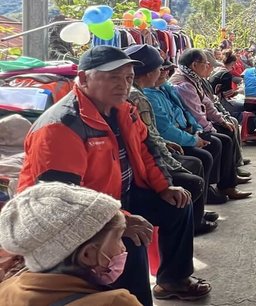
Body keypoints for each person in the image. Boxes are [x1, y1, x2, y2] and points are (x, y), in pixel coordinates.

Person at [18, 46, 209, 305]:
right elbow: (59, 202)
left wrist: (164, 186)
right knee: (131, 239)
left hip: (117, 197)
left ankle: (173, 280)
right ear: (84, 79)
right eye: (113, 77)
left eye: (129, 78)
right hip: (70, 221)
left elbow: (146, 149)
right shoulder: (61, 126)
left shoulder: (123, 109)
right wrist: (118, 221)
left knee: (177, 204)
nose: (124, 85)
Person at [125, 45, 217, 235]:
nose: (165, 72)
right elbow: (155, 138)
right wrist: (173, 165)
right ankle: (194, 220)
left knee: (205, 154)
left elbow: (182, 114)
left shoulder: (161, 89)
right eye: (161, 69)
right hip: (142, 170)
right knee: (195, 173)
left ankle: (197, 214)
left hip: (163, 148)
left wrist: (196, 132)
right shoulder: (140, 97)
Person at [0, 183, 141, 305]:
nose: (123, 247)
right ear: (87, 254)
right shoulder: (115, 302)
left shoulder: (6, 290)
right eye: (118, 238)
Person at [145, 60, 250, 204]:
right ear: (194, 65)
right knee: (211, 148)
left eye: (167, 69)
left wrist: (199, 130)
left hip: (189, 129)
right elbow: (168, 128)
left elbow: (188, 111)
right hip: (178, 137)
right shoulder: (181, 85)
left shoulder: (168, 87)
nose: (165, 72)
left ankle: (225, 183)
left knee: (224, 135)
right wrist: (198, 135)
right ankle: (209, 192)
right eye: (161, 69)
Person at [208, 50, 244, 120]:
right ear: (233, 63)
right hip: (220, 103)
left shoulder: (217, 70)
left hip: (213, 100)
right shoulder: (226, 74)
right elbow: (228, 94)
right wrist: (240, 91)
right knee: (245, 106)